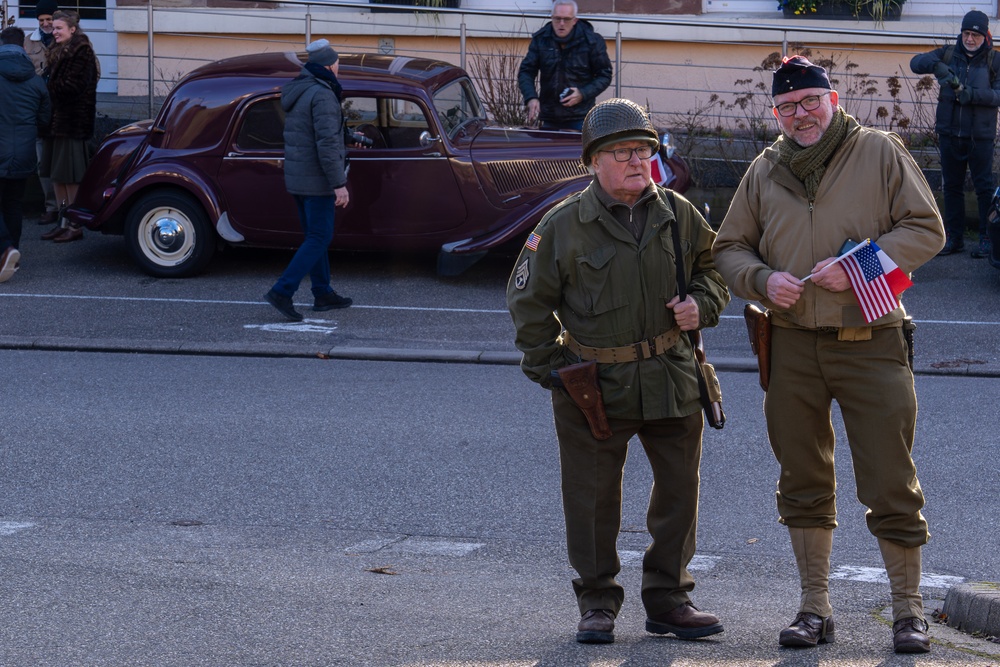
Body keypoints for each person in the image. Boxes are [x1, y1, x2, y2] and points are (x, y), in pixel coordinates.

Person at [713, 56, 945, 654]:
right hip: (791, 344)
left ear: (833, 98)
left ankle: (908, 613)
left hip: (872, 342)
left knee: (891, 479)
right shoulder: (765, 169)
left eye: (810, 101)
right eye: (787, 107)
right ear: (776, 114)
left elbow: (926, 228)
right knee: (803, 478)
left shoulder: (880, 152)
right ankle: (814, 609)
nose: (800, 114)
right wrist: (763, 282)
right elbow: (730, 248)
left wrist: (857, 269)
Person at [507, 98, 729, 644]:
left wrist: (703, 303)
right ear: (594, 161)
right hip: (594, 383)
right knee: (592, 496)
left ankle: (669, 598)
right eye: (622, 151)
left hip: (671, 371)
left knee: (679, 492)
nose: (637, 160)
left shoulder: (678, 212)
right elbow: (528, 303)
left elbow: (715, 269)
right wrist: (554, 370)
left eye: (644, 149)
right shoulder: (563, 226)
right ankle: (597, 600)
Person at [264, 39, 353, 322]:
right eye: (337, 61)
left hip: (299, 178)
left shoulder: (301, 89)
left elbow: (311, 134)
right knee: (319, 237)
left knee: (316, 236)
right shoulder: (323, 94)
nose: (339, 65)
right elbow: (326, 144)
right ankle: (282, 291)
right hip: (317, 181)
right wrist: (338, 183)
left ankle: (322, 293)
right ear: (329, 64)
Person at [911, 10, 1000, 260]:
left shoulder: (994, 61)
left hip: (980, 136)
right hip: (950, 133)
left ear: (985, 35)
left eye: (975, 34)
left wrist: (972, 94)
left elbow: (998, 95)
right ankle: (954, 237)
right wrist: (937, 65)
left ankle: (986, 238)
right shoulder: (949, 54)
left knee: (984, 188)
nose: (970, 39)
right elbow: (915, 63)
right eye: (966, 33)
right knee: (951, 187)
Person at [38, 9, 98, 244]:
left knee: (70, 177)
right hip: (56, 122)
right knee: (58, 176)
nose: (54, 32)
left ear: (72, 29)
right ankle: (63, 222)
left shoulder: (81, 52)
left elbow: (71, 87)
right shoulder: (58, 50)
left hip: (72, 123)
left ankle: (75, 224)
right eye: (53, 28)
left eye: (59, 28)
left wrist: (43, 90)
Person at [0, 26, 51, 283]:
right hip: (24, 153)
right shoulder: (36, 81)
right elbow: (45, 120)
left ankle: (6, 248)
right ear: (23, 48)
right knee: (12, 204)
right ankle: (12, 255)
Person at [517, 0, 612, 131]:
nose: (561, 24)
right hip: (550, 115)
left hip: (580, 116)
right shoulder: (541, 39)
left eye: (566, 19)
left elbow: (604, 75)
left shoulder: (592, 42)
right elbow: (526, 71)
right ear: (551, 18)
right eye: (557, 19)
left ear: (575, 20)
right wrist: (531, 97)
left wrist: (583, 93)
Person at [23, 0, 59, 225]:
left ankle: (68, 209)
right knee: (41, 162)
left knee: (63, 162)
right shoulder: (29, 42)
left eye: (49, 20)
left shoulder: (67, 38)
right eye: (42, 20)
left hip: (63, 111)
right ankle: (51, 207)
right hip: (38, 111)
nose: (46, 24)